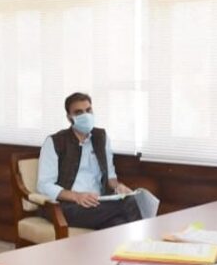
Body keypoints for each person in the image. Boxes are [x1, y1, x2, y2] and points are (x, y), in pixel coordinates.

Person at [37, 92, 142, 229]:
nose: (85, 115)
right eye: (79, 112)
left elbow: (110, 177)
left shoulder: (101, 137)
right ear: (69, 117)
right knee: (127, 203)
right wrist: (77, 196)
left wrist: (118, 187)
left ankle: (141, 241)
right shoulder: (55, 141)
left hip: (98, 202)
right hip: (67, 206)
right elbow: (44, 185)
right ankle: (148, 240)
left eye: (88, 110)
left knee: (119, 223)